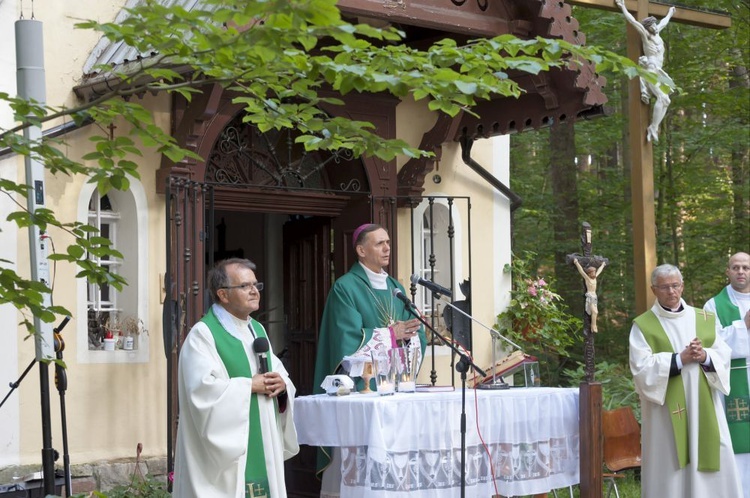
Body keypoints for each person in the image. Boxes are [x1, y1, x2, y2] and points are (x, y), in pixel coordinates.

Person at [313, 223, 427, 497]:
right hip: (360, 394)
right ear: (361, 250)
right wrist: (391, 333)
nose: (387, 248)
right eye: (379, 243)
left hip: (394, 390)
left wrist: (410, 332)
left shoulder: (395, 287)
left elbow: (415, 333)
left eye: (388, 242)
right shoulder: (346, 287)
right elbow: (346, 341)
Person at [173, 258, 299, 498]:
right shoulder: (203, 334)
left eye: (255, 285)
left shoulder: (257, 330)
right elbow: (201, 392)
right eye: (244, 286)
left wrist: (281, 385)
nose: (254, 291)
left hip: (262, 435)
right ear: (223, 294)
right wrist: (249, 385)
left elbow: (279, 372)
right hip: (227, 456)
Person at [629, 264, 742, 498]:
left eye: (675, 285)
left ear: (682, 286)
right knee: (670, 461)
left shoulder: (704, 318)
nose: (671, 291)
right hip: (665, 416)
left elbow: (723, 354)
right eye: (664, 287)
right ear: (654, 289)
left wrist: (705, 356)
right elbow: (640, 368)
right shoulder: (643, 325)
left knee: (714, 452)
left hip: (705, 406)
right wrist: (679, 359)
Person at [703, 252, 750, 498]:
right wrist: (744, 325)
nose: (741, 271)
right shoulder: (713, 306)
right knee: (740, 450)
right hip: (736, 382)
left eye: (745, 267)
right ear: (727, 271)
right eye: (736, 267)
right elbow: (712, 345)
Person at [615, 0, 675, 143]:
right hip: (651, 71)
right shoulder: (645, 36)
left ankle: (654, 127)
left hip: (659, 71)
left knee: (666, 100)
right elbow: (632, 21)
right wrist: (623, 7)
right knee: (662, 98)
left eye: (654, 24)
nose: (654, 27)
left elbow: (664, 22)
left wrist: (670, 13)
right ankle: (653, 128)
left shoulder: (658, 33)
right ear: (647, 28)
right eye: (651, 26)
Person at [573, 259, 606, 333]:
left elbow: (599, 270)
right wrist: (576, 263)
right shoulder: (587, 279)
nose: (594, 273)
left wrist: (603, 265)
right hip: (590, 296)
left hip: (594, 296)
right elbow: (581, 271)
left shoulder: (595, 278)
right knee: (595, 311)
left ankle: (593, 325)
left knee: (595, 312)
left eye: (594, 272)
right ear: (589, 274)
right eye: (593, 272)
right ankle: (593, 326)